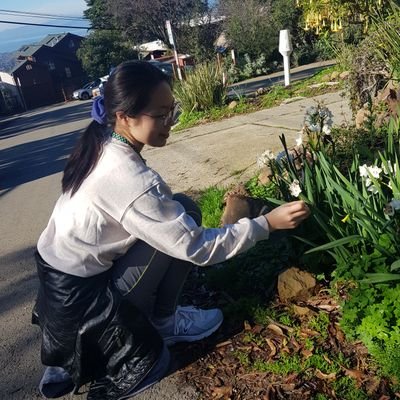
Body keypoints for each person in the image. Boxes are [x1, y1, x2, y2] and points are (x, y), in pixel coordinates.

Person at [32, 60, 310, 400]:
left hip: (59, 291)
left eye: (171, 111)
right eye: (160, 115)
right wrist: (265, 224)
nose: (170, 124)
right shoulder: (128, 177)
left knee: (184, 208)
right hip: (87, 303)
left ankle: (112, 335)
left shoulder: (100, 144)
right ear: (124, 115)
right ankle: (163, 324)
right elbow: (195, 248)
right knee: (182, 227)